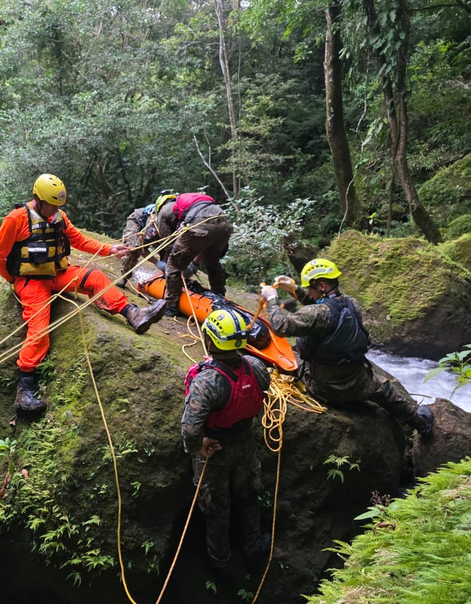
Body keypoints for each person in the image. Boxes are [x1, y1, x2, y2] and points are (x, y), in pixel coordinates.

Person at [0, 174, 167, 413]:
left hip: (57, 273)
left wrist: (109, 249)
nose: (54, 210)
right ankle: (25, 390)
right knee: (39, 330)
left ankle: (133, 314)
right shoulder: (16, 219)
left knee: (96, 278)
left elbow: (79, 239)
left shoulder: (59, 217)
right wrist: (12, 279)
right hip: (31, 281)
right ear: (38, 199)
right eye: (51, 205)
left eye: (58, 206)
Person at [260, 259, 434, 434]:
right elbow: (321, 308)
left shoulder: (316, 313)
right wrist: (294, 289)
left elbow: (280, 326)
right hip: (357, 383)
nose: (309, 293)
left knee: (289, 356)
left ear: (321, 286)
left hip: (322, 387)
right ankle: (421, 424)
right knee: (386, 391)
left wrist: (272, 300)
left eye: (309, 289)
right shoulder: (352, 303)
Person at [181, 309, 271, 572]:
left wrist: (199, 445)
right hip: (245, 444)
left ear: (210, 342)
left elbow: (190, 429)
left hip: (215, 451)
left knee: (216, 507)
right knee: (247, 497)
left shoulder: (207, 381)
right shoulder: (255, 366)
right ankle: (253, 550)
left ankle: (221, 562)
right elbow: (261, 392)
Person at [156, 192, 232, 316]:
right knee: (212, 261)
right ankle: (219, 296)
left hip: (199, 223)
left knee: (174, 263)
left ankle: (170, 305)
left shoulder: (163, 212)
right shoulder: (191, 203)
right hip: (224, 223)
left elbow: (168, 243)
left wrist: (181, 260)